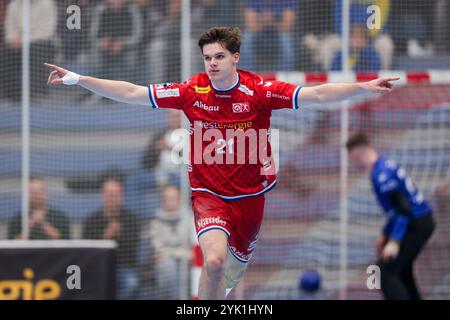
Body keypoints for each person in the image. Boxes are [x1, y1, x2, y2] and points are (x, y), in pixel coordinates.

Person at [45, 26, 398, 300]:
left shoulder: (259, 91)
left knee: (229, 275)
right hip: (208, 194)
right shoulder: (191, 91)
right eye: (207, 58)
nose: (211, 64)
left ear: (235, 58)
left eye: (218, 57)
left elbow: (317, 94)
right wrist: (78, 79)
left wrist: (362, 87)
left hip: (250, 199)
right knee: (213, 262)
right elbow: (134, 92)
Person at [346, 132, 435, 300]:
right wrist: (385, 234)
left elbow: (404, 209)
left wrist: (394, 241)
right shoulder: (383, 167)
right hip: (418, 221)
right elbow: (395, 211)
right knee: (401, 271)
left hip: (417, 223)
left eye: (355, 159)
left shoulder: (381, 174)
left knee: (383, 273)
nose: (356, 163)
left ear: (360, 152)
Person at [83, 177, 141, 299]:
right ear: (102, 196)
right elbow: (87, 250)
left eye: (116, 194)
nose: (112, 198)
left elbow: (133, 250)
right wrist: (107, 236)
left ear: (122, 197)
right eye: (109, 194)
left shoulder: (132, 219)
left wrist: (119, 235)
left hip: (123, 267)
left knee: (131, 283)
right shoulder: (91, 220)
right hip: (97, 268)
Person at [145, 184, 192, 299]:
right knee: (168, 266)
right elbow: (158, 250)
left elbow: (193, 248)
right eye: (167, 199)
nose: (170, 202)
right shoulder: (155, 222)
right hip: (166, 263)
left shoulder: (190, 219)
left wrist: (174, 254)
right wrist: (181, 254)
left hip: (187, 262)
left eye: (173, 198)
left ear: (179, 200)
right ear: (162, 201)